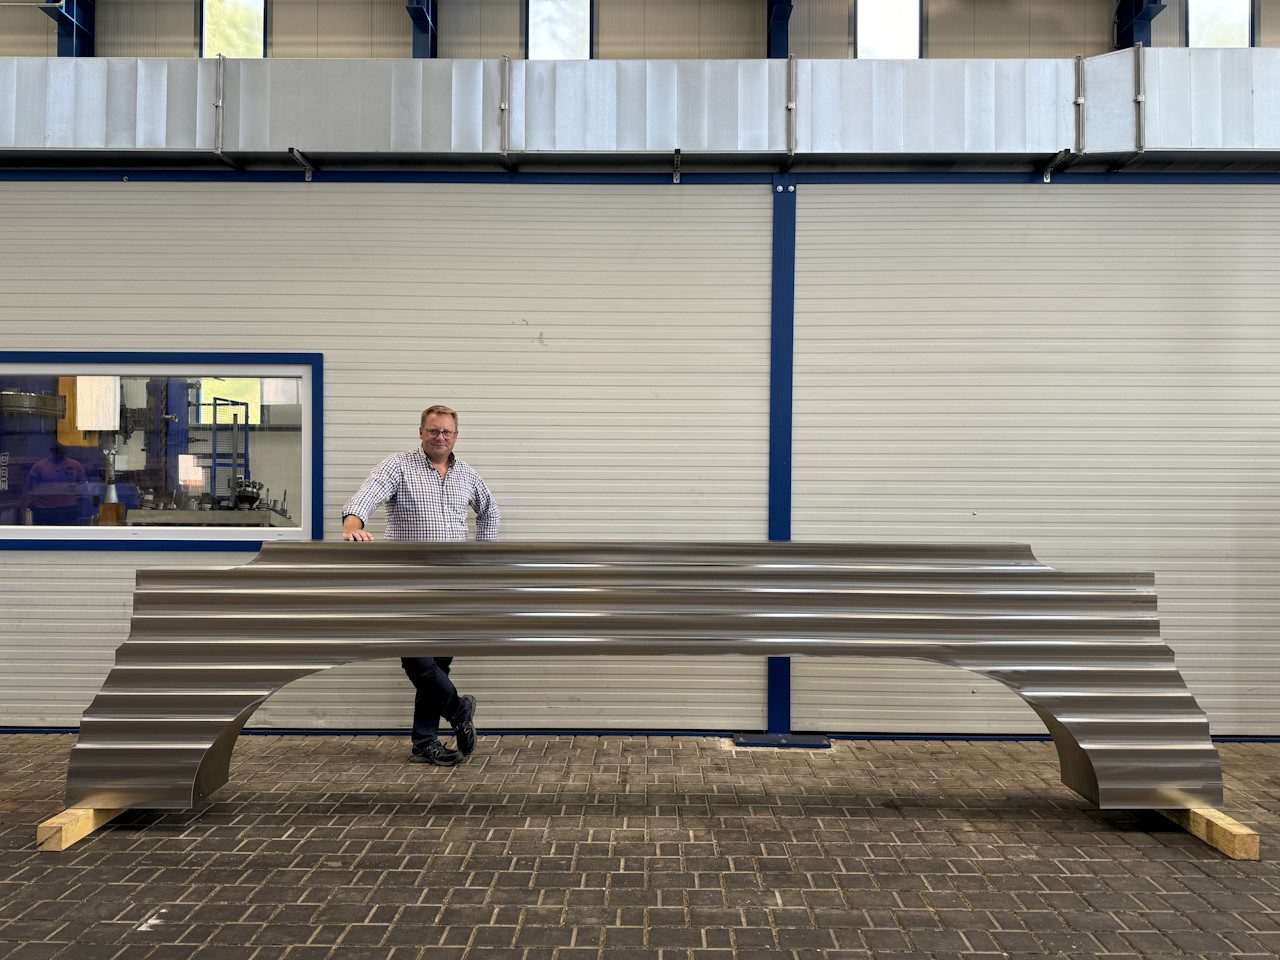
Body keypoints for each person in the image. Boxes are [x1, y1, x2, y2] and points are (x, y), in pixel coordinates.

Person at [341, 405, 500, 766]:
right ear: (421, 433)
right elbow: (365, 497)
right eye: (433, 431)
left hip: (453, 585)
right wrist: (352, 525)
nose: (440, 437)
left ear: (455, 436)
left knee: (438, 665)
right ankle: (459, 710)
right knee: (417, 661)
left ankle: (424, 743)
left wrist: (484, 558)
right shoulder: (398, 466)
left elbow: (490, 511)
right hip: (408, 584)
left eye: (447, 432)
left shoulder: (468, 475)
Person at [26, 442, 88, 526]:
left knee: (69, 533)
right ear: (52, 451)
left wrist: (83, 506)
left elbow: (84, 487)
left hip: (69, 509)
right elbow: (30, 489)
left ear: (67, 451)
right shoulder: (39, 467)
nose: (61, 454)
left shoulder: (76, 465)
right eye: (58, 451)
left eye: (63, 451)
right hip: (44, 510)